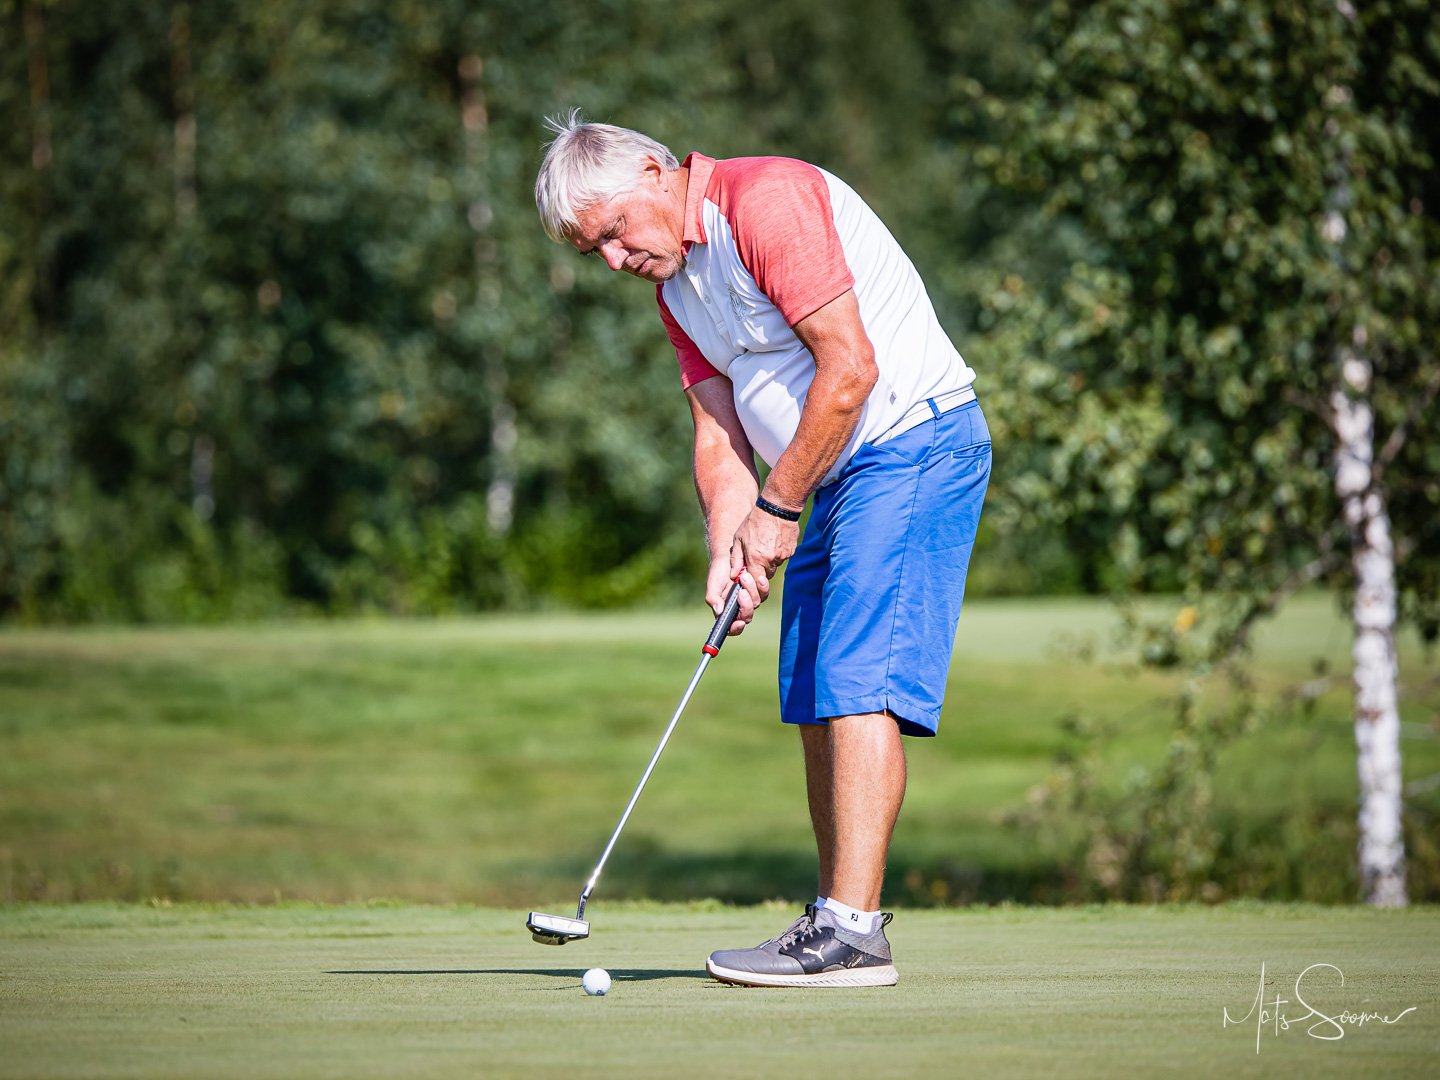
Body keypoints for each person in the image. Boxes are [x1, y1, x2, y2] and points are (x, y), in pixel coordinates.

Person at [534, 109, 991, 988]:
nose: (617, 263)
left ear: (658, 173)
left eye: (617, 234)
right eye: (596, 253)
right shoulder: (676, 291)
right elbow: (718, 434)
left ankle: (853, 935)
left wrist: (777, 511)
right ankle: (833, 919)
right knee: (816, 684)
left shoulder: (765, 201)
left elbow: (849, 367)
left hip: (912, 444)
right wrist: (729, 546)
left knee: (856, 677)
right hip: (832, 476)